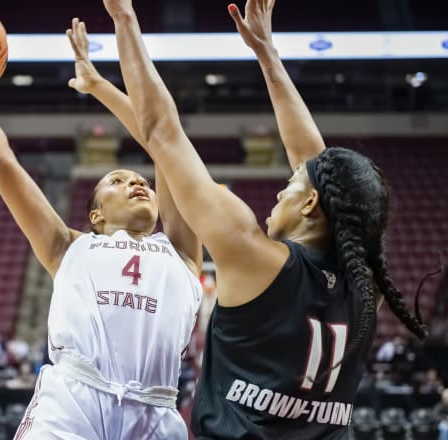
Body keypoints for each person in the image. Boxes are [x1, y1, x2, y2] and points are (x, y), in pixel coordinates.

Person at [102, 0, 428, 437]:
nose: (279, 191)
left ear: (311, 204)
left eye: (291, 185)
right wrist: (267, 55)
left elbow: (162, 130)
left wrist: (124, 17)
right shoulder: (366, 284)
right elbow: (316, 165)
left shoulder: (253, 255)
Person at [0, 16, 202, 438]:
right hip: (74, 402)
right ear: (95, 216)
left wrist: (100, 87)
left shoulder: (182, 250)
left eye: (142, 180)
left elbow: (164, 140)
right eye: (118, 180)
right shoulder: (69, 246)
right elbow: (0, 162)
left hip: (155, 414)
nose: (137, 182)